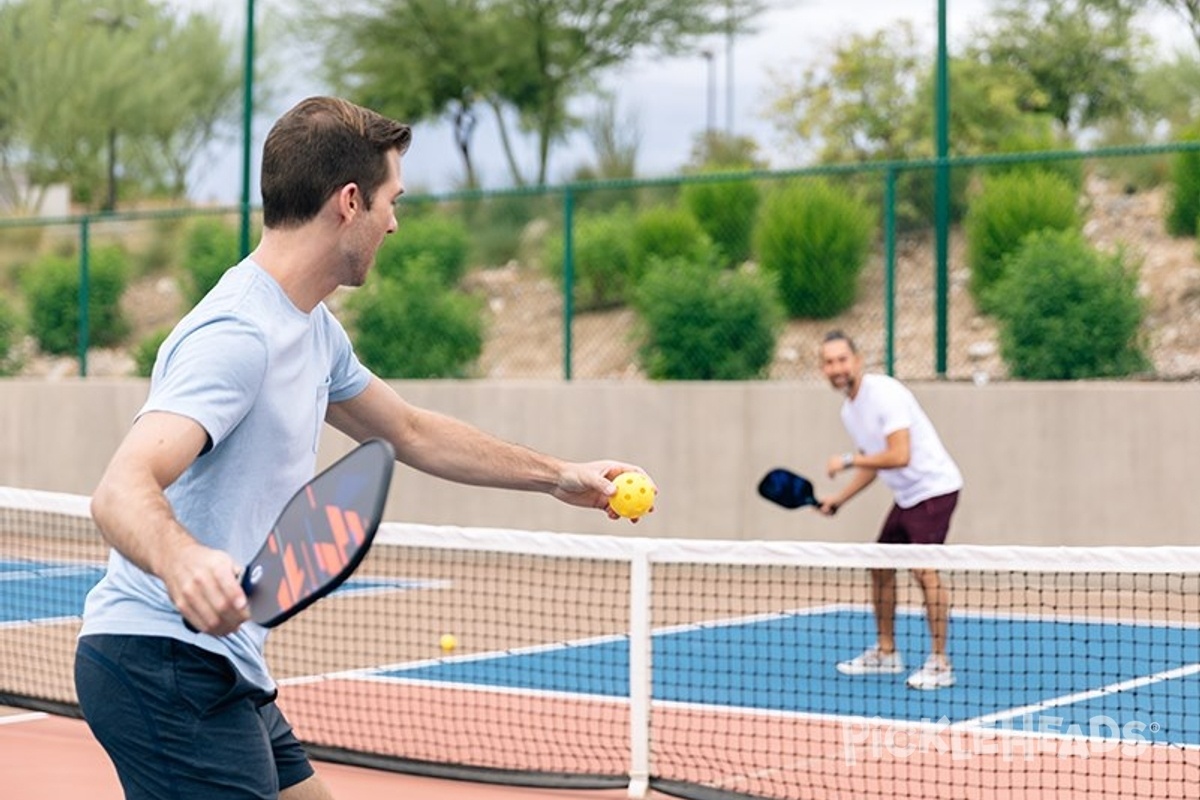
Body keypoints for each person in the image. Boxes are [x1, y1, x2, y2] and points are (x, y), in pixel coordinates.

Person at [74, 96, 655, 800]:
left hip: (225, 664)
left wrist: (559, 475)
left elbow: (407, 430)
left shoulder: (313, 331)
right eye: (391, 200)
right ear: (350, 201)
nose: (394, 221)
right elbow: (121, 487)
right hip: (161, 662)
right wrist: (183, 558)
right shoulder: (237, 334)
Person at [815, 330, 961, 690]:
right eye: (829, 362)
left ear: (858, 360)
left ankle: (941, 663)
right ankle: (886, 651)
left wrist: (847, 459)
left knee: (923, 569)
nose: (836, 368)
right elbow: (876, 463)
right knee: (879, 565)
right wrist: (840, 498)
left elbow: (900, 455)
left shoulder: (885, 393)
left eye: (842, 359)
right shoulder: (849, 411)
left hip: (935, 489)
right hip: (908, 496)